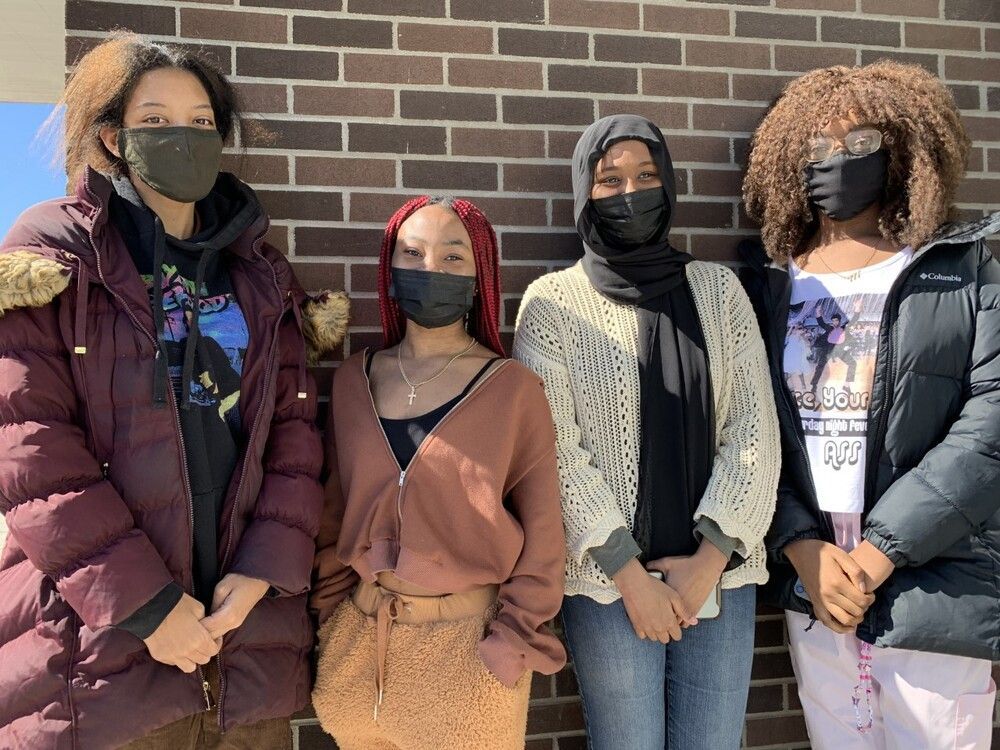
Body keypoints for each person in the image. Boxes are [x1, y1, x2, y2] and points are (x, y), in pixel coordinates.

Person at [0, 33, 349, 748]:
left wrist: (261, 573)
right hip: (98, 660)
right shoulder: (58, 251)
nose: (181, 137)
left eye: (199, 122)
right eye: (154, 121)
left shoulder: (259, 271)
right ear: (111, 134)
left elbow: (294, 439)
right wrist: (149, 607)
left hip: (246, 646)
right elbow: (31, 452)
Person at [740, 60, 1000, 750]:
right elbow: (747, 428)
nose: (837, 162)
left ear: (903, 153)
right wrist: (800, 548)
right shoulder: (767, 282)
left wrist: (882, 551)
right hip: (816, 574)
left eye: (859, 146)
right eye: (818, 148)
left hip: (935, 571)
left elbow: (990, 423)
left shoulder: (962, 269)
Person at [513, 115, 781, 750]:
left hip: (720, 578)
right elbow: (553, 453)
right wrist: (628, 575)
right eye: (610, 180)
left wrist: (708, 561)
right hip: (609, 589)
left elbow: (754, 429)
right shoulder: (551, 304)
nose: (629, 192)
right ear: (584, 192)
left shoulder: (719, 291)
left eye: (646, 175)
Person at [310, 196, 567, 750]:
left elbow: (545, 536)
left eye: (453, 257)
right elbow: (331, 515)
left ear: (480, 277)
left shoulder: (514, 390)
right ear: (391, 268)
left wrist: (507, 646)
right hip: (360, 651)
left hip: (468, 659)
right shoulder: (354, 380)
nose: (431, 269)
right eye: (413, 253)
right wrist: (331, 623)